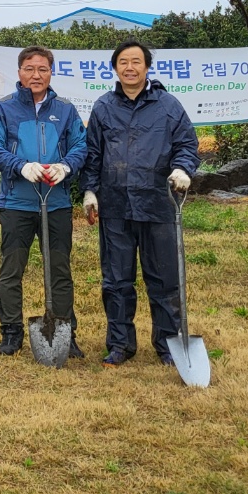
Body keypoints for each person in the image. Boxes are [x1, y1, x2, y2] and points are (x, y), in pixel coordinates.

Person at [81, 39, 200, 367]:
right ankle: (120, 344)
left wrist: (182, 168)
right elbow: (93, 155)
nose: (129, 67)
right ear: (115, 67)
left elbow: (187, 144)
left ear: (147, 67)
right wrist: (90, 191)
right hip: (115, 207)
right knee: (116, 280)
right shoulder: (103, 107)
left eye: (136, 61)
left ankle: (168, 345)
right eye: (123, 62)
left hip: (158, 204)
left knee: (164, 279)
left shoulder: (168, 106)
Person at [0, 45, 88, 358]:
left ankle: (65, 332)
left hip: (55, 204)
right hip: (17, 203)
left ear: (51, 73)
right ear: (19, 73)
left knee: (60, 269)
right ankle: (11, 332)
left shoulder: (66, 110)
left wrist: (65, 166)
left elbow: (81, 146)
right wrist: (20, 165)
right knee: (11, 270)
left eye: (42, 69)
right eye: (29, 68)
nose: (36, 75)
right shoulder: (3, 109)